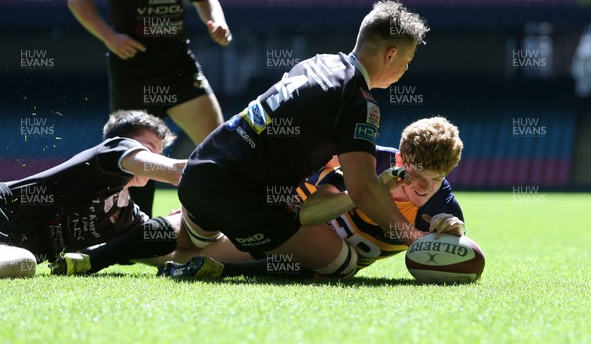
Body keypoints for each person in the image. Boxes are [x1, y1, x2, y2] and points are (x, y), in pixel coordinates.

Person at [176, 0, 430, 279]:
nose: (405, 70)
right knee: (342, 263)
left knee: (181, 247)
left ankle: (141, 245)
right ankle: (217, 268)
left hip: (200, 171)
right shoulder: (359, 103)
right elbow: (364, 190)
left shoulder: (317, 62)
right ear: (390, 54)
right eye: (406, 62)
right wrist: (414, 238)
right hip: (243, 198)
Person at [160, 116, 466, 279]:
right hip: (287, 222)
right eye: (416, 175)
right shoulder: (366, 162)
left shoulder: (442, 202)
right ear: (401, 160)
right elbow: (310, 210)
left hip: (324, 259)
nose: (425, 188)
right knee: (181, 251)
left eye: (435, 179)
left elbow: (451, 245)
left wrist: (453, 231)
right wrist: (368, 191)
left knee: (322, 266)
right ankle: (133, 242)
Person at [68, 0, 232, 217]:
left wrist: (218, 22)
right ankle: (134, 230)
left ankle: (218, 219)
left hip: (178, 66)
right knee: (133, 157)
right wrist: (109, 37)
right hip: (132, 68)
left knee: (219, 146)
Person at [0, 110, 186, 278]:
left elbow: (161, 251)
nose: (154, 160)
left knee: (23, 262)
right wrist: (211, 175)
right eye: (149, 150)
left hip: (3, 244)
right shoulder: (112, 152)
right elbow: (177, 171)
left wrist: (181, 224)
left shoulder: (127, 218)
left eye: (159, 155)